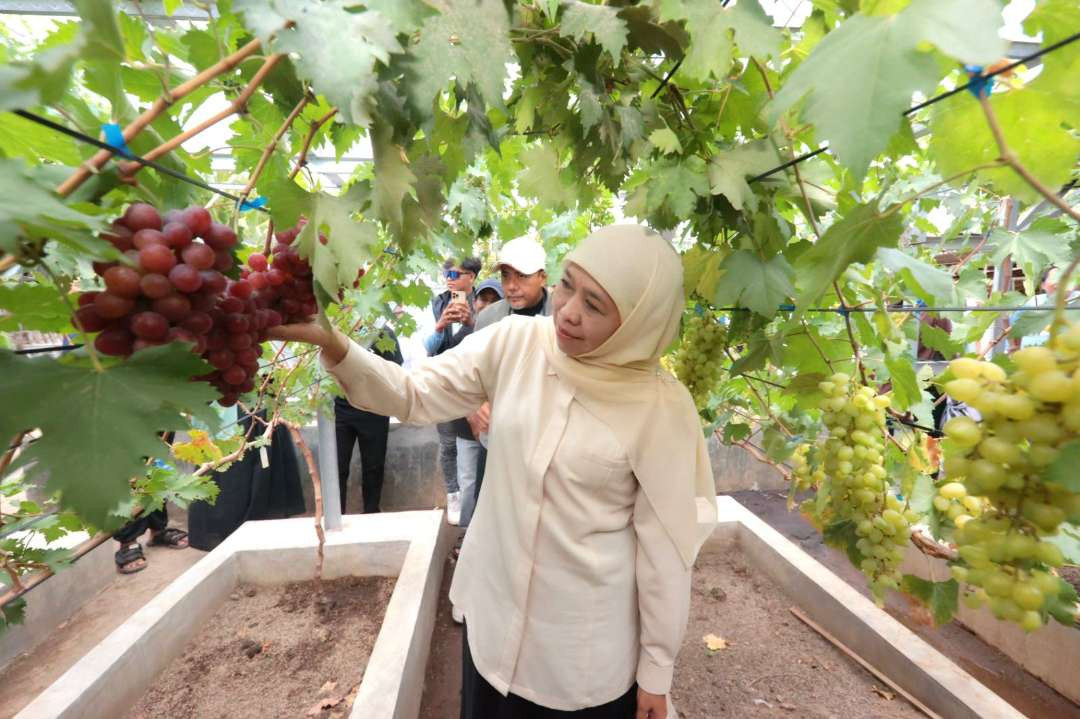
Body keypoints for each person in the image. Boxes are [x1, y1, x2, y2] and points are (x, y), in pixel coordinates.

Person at [269, 225, 718, 719]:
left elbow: (664, 552)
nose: (567, 312)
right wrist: (332, 343)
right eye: (568, 286)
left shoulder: (660, 409)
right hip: (492, 621)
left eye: (595, 305)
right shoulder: (516, 343)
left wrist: (657, 670)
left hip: (576, 662)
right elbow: (413, 394)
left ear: (638, 322)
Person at [428, 256, 482, 524]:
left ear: (471, 277)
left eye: (455, 274)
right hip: (447, 383)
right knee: (448, 442)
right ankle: (453, 494)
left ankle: (478, 500)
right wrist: (441, 325)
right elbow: (430, 347)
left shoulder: (486, 299)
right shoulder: (439, 302)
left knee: (477, 443)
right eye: (446, 274)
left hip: (476, 386)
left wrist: (471, 321)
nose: (449, 280)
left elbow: (490, 337)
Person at [333, 326, 404, 513]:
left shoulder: (382, 331)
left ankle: (371, 512)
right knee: (337, 467)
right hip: (341, 409)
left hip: (374, 408)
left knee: (373, 467)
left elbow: (396, 366)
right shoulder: (338, 326)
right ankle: (335, 514)